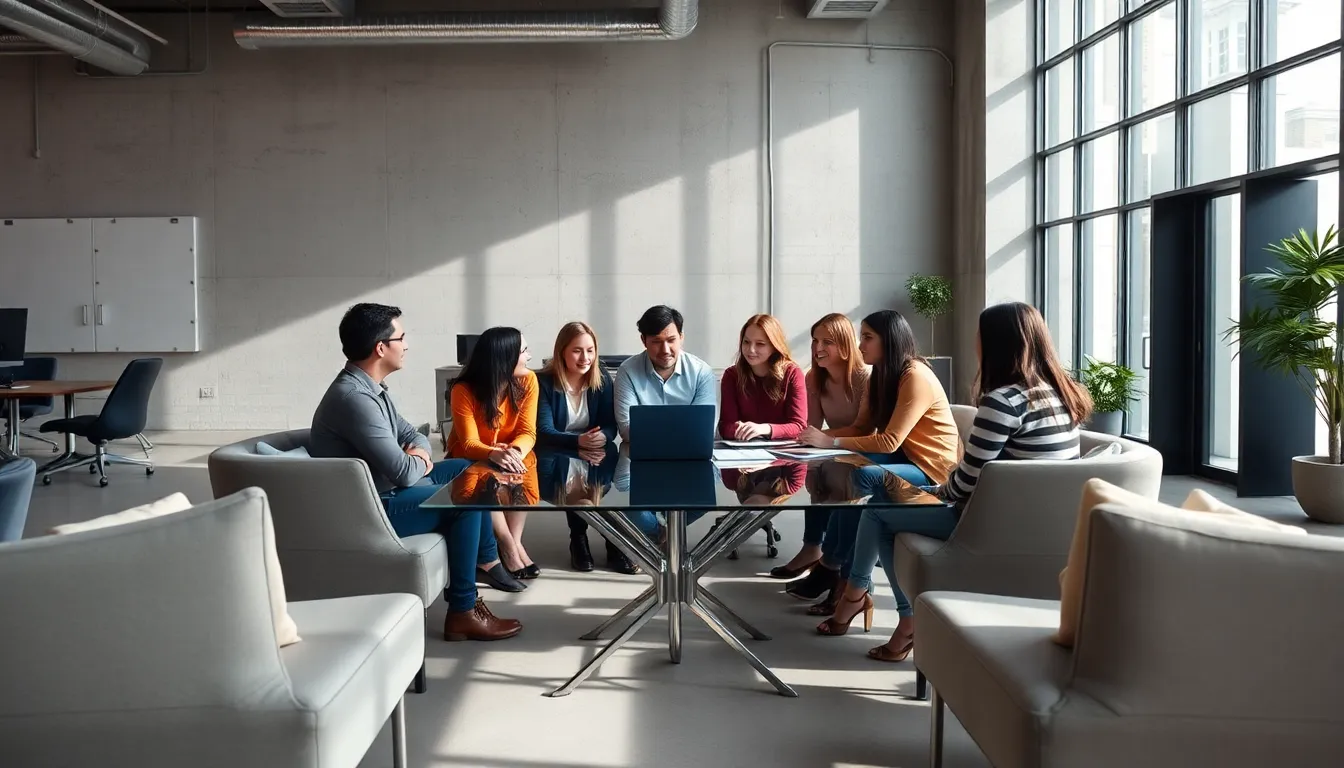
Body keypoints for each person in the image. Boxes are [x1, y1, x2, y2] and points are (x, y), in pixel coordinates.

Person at [830, 302, 1090, 661]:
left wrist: (933, 492)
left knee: (879, 510)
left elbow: (967, 483)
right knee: (883, 498)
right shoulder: (1060, 394)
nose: (974, 343)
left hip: (994, 525)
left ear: (994, 343)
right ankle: (860, 597)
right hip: (1049, 531)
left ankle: (887, 612)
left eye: (978, 336)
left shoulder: (1003, 402)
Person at [310, 303, 520, 642]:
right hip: (371, 507)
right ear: (381, 348)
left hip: (383, 490)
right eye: (401, 337)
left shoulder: (370, 388)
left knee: (473, 470)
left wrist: (417, 452)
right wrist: (420, 458)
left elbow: (416, 435)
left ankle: (486, 561)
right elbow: (404, 472)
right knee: (464, 500)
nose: (406, 345)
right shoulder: (354, 398)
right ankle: (463, 611)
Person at [790, 310, 959, 622]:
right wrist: (817, 440)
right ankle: (835, 568)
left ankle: (838, 572)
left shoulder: (915, 376)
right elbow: (861, 428)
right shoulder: (881, 374)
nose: (860, 344)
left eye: (867, 337)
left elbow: (889, 441)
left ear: (889, 341)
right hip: (904, 459)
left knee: (863, 474)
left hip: (931, 469)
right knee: (845, 467)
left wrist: (832, 443)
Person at [770, 312, 869, 580]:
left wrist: (825, 439)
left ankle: (835, 564)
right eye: (815, 341)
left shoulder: (865, 378)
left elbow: (864, 429)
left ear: (845, 345)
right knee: (816, 470)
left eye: (827, 342)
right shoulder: (813, 377)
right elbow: (810, 428)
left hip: (864, 450)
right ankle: (812, 548)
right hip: (833, 447)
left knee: (839, 476)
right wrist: (810, 468)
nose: (817, 348)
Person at [534, 321, 632, 573]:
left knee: (605, 484)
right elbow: (543, 431)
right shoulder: (542, 381)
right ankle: (580, 540)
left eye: (590, 350)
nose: (585, 357)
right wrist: (577, 440)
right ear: (562, 352)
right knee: (576, 489)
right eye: (577, 350)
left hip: (594, 451)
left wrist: (603, 436)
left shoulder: (601, 379)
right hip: (554, 454)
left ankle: (610, 542)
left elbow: (611, 424)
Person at [613, 305, 717, 538]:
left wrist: (650, 430)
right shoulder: (627, 371)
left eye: (671, 339)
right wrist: (681, 432)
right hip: (639, 458)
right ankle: (663, 536)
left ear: (681, 337)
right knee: (624, 492)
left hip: (690, 460)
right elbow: (627, 429)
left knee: (706, 498)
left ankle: (658, 537)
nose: (665, 349)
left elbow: (704, 431)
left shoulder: (702, 372)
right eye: (656, 341)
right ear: (644, 340)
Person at [447, 326, 540, 588]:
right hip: (473, 455)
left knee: (526, 464)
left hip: (510, 450)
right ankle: (507, 545)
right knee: (484, 477)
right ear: (504, 358)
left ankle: (516, 540)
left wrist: (514, 452)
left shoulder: (528, 380)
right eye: (523, 351)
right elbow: (468, 443)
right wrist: (494, 453)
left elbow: (528, 432)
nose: (529, 356)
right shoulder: (462, 389)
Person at [718, 314, 807, 443]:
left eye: (760, 344)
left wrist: (764, 429)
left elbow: (799, 426)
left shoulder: (792, 373)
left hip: (783, 453)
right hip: (743, 451)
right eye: (746, 342)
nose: (751, 350)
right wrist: (739, 429)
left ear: (774, 346)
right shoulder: (732, 375)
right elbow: (725, 426)